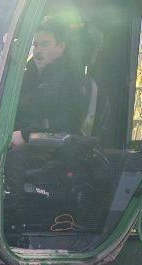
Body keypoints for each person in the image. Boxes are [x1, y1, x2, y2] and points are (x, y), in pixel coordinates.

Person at [5, 18, 90, 229]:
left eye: (45, 44)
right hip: (27, 142)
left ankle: (16, 222)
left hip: (55, 149)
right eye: (35, 44)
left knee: (14, 158)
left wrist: (24, 135)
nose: (38, 50)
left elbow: (65, 121)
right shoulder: (24, 78)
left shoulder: (72, 79)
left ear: (61, 46)